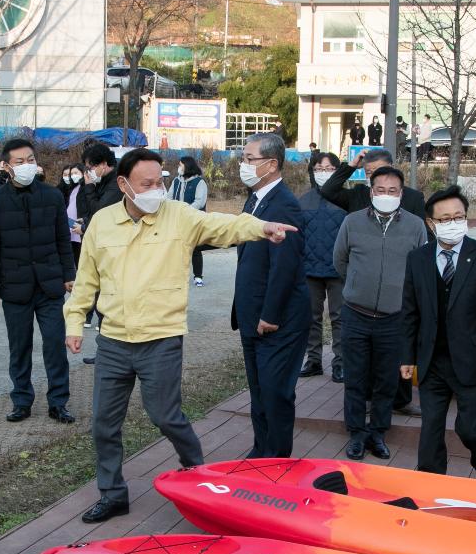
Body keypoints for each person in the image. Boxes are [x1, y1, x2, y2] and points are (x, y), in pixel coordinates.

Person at [64, 148, 300, 523]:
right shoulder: (102, 223)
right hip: (113, 342)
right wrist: (75, 323)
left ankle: (198, 475)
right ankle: (112, 493)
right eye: (148, 184)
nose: (157, 189)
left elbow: (223, 226)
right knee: (104, 424)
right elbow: (86, 281)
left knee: (165, 415)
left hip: (161, 338)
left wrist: (261, 228)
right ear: (124, 185)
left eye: (161, 181)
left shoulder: (179, 216)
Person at [400, 185, 476, 480]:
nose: (453, 223)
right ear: (431, 224)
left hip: (473, 360)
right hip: (432, 359)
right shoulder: (418, 259)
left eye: (458, 217)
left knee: (471, 430)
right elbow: (410, 310)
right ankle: (430, 481)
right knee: (430, 429)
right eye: (445, 219)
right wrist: (407, 355)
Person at [319, 147, 426, 416]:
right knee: (363, 356)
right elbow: (329, 190)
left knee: (398, 351)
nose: (376, 179)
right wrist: (350, 165)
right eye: (369, 174)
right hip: (362, 296)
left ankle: (400, 400)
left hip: (398, 295)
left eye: (379, 170)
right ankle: (364, 402)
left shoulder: (413, 199)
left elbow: (422, 247)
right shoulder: (357, 196)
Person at [333, 166, 428, 461]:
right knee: (356, 378)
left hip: (394, 318)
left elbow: (421, 268)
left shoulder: (415, 226)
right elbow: (340, 261)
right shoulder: (352, 222)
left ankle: (378, 432)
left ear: (401, 193)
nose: (386, 195)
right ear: (371, 191)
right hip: (356, 315)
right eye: (381, 190)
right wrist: (359, 285)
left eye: (393, 191)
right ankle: (357, 434)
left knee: (387, 380)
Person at [0, 138, 76, 424]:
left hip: (50, 285)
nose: (26, 165)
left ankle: (58, 402)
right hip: (14, 286)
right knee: (19, 346)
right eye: (19, 162)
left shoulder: (52, 196)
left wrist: (68, 274)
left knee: (55, 344)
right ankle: (21, 400)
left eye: (30, 160)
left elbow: (62, 238)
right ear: (6, 167)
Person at [232, 133, 310, 458]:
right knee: (259, 393)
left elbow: (285, 268)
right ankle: (260, 452)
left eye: (250, 159)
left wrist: (270, 315)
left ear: (271, 164)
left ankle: (277, 462)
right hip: (252, 318)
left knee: (276, 394)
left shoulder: (285, 206)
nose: (243, 165)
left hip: (277, 322)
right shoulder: (255, 200)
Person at [299, 152, 347, 382]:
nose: (323, 173)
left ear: (338, 171)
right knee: (310, 317)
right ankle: (314, 360)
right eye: (318, 168)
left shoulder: (346, 200)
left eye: (328, 168)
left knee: (339, 317)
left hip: (338, 270)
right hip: (310, 269)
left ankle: (340, 362)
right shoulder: (303, 201)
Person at [76, 142, 122, 342]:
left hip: (114, 249)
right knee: (101, 296)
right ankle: (105, 347)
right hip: (104, 244)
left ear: (103, 164)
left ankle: (109, 347)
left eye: (91, 167)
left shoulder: (115, 184)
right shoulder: (104, 181)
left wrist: (88, 188)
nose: (89, 172)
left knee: (109, 298)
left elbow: (100, 213)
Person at [169, 156, 209, 286]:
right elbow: (168, 197)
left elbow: (199, 201)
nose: (179, 167)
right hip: (177, 220)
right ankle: (177, 276)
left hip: (193, 220)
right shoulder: (176, 181)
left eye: (181, 165)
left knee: (195, 249)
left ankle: (198, 277)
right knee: (176, 248)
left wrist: (185, 211)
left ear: (188, 166)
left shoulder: (199, 182)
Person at [62, 163, 85, 273]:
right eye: (72, 174)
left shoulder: (85, 188)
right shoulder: (74, 188)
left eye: (76, 173)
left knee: (82, 260)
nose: (73, 175)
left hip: (80, 227)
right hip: (71, 227)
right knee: (75, 259)